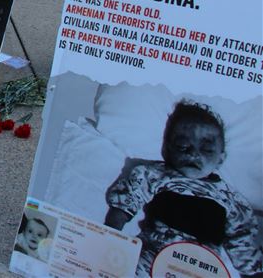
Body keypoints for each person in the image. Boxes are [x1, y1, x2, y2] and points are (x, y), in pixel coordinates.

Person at [105, 101, 262, 278]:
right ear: (167, 149)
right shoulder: (157, 175)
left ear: (221, 158)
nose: (194, 154)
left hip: (201, 266)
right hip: (154, 255)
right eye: (183, 146)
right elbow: (129, 196)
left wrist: (253, 272)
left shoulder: (230, 199)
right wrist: (112, 231)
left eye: (207, 149)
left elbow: (242, 242)